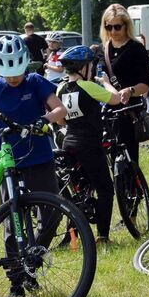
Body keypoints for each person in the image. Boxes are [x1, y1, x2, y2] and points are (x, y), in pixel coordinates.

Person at [0, 36, 67, 294]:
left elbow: (60, 110)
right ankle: (16, 282)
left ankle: (33, 260)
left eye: (17, 72)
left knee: (52, 215)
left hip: (39, 158)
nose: (14, 79)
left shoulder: (36, 82)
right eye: (8, 73)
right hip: (8, 164)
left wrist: (45, 119)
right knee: (12, 223)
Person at [55, 45, 122, 243]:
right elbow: (116, 99)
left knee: (81, 190)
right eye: (91, 66)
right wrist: (106, 82)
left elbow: (60, 121)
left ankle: (76, 234)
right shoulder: (89, 86)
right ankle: (103, 235)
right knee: (105, 189)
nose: (92, 69)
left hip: (69, 142)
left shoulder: (60, 88)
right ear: (83, 68)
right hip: (90, 144)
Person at [96, 3, 149, 162]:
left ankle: (133, 186)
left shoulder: (136, 49)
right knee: (111, 161)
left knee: (130, 160)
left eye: (117, 27)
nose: (113, 31)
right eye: (109, 27)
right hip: (106, 112)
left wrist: (130, 90)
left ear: (126, 26)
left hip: (128, 111)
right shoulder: (102, 49)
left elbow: (146, 84)